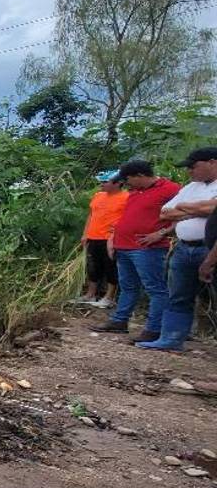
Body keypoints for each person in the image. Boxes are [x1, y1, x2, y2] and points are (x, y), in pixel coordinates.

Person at [90, 160, 180, 342]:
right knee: (128, 286)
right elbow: (127, 217)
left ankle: (154, 329)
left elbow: (185, 214)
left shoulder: (170, 189)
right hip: (124, 245)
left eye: (128, 179)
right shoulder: (135, 192)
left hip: (148, 248)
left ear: (140, 175)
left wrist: (161, 233)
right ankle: (119, 320)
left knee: (155, 289)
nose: (126, 183)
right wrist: (113, 237)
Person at [137, 148, 217, 350]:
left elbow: (210, 209)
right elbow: (165, 213)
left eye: (194, 166)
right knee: (179, 295)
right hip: (184, 248)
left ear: (212, 162)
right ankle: (171, 339)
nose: (190, 171)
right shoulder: (192, 187)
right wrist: (199, 209)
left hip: (210, 248)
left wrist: (185, 208)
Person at [75, 170, 128, 308]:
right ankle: (90, 294)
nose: (101, 184)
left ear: (119, 183)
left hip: (110, 239)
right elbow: (91, 215)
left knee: (111, 267)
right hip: (93, 236)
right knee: (93, 266)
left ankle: (109, 297)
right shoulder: (98, 196)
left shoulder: (126, 198)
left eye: (105, 182)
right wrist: (85, 233)